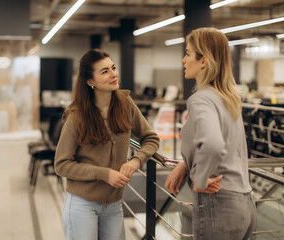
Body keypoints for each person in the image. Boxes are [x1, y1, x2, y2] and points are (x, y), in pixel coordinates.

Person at [54, 49, 159, 240]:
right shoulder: (77, 115)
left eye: (113, 68)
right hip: (82, 204)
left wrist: (136, 160)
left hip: (114, 204)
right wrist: (104, 174)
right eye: (104, 71)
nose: (113, 74)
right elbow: (61, 164)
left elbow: (151, 138)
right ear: (90, 81)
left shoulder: (126, 104)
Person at [164, 28, 256, 240]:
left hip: (219, 204)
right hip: (245, 204)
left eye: (188, 53)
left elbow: (213, 144)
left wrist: (201, 179)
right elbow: (224, 142)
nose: (183, 60)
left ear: (203, 61)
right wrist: (186, 163)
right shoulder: (229, 98)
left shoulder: (201, 99)